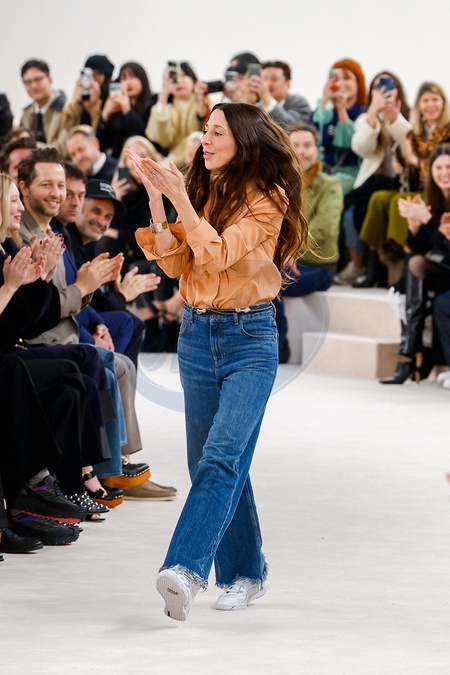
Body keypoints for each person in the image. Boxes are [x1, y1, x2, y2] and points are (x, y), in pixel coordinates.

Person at [127, 102, 307, 620]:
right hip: (196, 336)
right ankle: (247, 573)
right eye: (204, 130)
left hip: (250, 338)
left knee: (222, 457)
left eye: (217, 132)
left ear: (243, 139)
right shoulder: (202, 189)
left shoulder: (268, 198)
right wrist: (159, 203)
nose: (205, 139)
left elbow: (220, 253)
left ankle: (185, 570)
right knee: (213, 462)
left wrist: (181, 198)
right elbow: (177, 264)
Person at [380, 144, 450, 384]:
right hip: (441, 271)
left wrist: (427, 219)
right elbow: (422, 248)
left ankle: (408, 356)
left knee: (414, 277)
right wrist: (414, 226)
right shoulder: (436, 201)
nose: (444, 173)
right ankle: (409, 354)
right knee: (414, 263)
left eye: (448, 167)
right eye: (438, 168)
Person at [274, 122, 343, 362]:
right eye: (296, 145)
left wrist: (291, 250)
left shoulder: (330, 185)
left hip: (318, 266)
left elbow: (323, 226)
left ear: (317, 149)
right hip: (282, 261)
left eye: (307, 145)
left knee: (272, 282)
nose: (302, 151)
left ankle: (278, 348)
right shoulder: (278, 183)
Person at [359, 82, 450, 261]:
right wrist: (402, 164)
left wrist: (415, 161)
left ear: (443, 103)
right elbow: (411, 175)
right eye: (425, 101)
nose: (430, 105)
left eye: (435, 100)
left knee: (399, 202)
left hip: (437, 189)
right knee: (378, 198)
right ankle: (372, 253)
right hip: (418, 185)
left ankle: (399, 252)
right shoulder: (415, 133)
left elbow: (442, 170)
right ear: (419, 106)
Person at [342, 71, 412, 287]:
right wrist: (372, 114)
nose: (383, 92)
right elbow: (361, 149)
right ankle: (367, 266)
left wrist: (394, 119)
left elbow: (411, 144)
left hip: (399, 181)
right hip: (371, 181)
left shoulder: (409, 115)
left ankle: (380, 270)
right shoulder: (365, 118)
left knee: (374, 203)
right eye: (377, 88)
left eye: (388, 87)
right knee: (355, 210)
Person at [310, 58, 366, 197]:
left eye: (347, 78)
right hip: (325, 170)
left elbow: (354, 145)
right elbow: (315, 138)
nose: (341, 83)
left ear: (358, 82)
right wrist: (324, 102)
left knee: (328, 187)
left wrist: (342, 110)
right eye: (336, 79)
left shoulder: (364, 111)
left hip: (353, 173)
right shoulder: (326, 112)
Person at [145, 61, 208, 168]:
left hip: (203, 160)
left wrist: (202, 102)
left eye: (183, 76)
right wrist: (164, 92)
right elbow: (163, 139)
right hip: (174, 165)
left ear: (193, 80)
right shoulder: (166, 108)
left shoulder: (207, 101)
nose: (179, 81)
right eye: (175, 77)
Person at [96, 61, 157, 158]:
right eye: (124, 78)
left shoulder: (153, 105)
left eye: (132, 77)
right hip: (119, 161)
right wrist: (105, 116)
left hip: (144, 159)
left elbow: (145, 137)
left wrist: (128, 111)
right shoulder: (117, 111)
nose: (128, 82)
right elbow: (103, 144)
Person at [20, 59, 68, 155]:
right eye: (28, 82)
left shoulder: (68, 110)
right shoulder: (26, 114)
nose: (33, 86)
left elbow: (63, 148)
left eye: (38, 80)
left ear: (50, 80)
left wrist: (29, 148)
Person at [245, 60, 311, 128]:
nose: (268, 83)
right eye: (265, 79)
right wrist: (248, 102)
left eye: (274, 79)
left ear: (288, 85)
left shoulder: (299, 102)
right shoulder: (258, 106)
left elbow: (292, 127)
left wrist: (268, 99)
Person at [61, 54, 115, 132]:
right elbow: (68, 128)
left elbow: (100, 131)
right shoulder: (82, 97)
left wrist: (94, 106)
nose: (93, 79)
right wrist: (75, 102)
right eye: (89, 75)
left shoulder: (110, 99)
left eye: (97, 74)